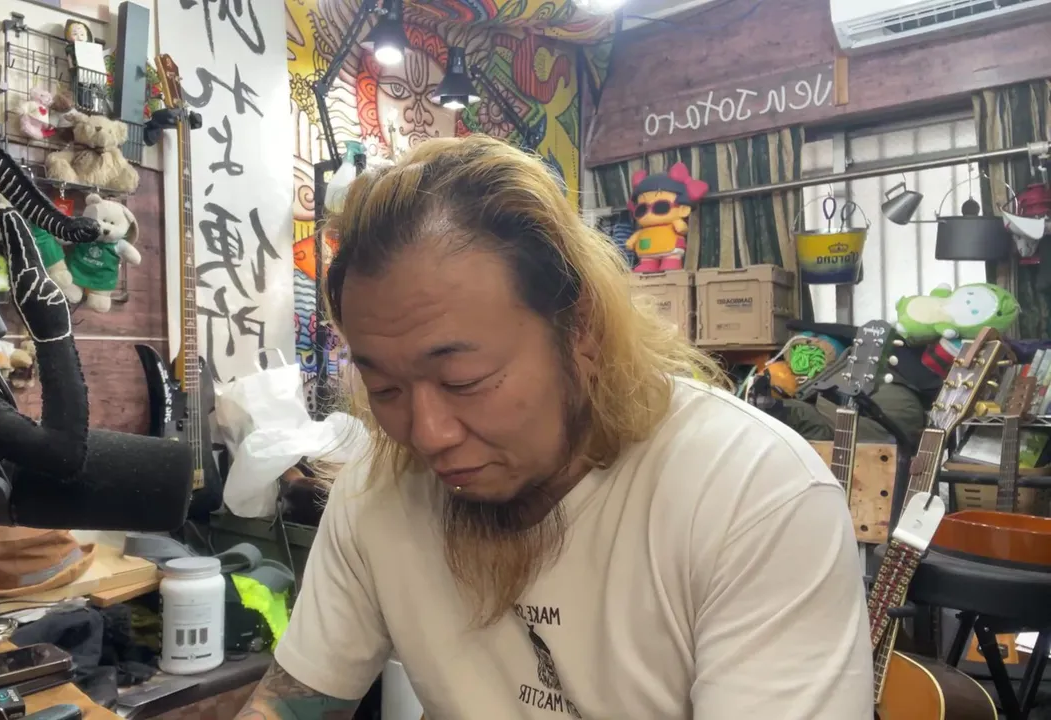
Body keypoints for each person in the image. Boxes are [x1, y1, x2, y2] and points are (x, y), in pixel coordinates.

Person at [236, 135, 873, 719]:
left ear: (582, 328)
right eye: (385, 389)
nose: (427, 435)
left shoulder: (748, 493)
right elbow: (293, 705)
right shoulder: (379, 491)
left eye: (464, 380)